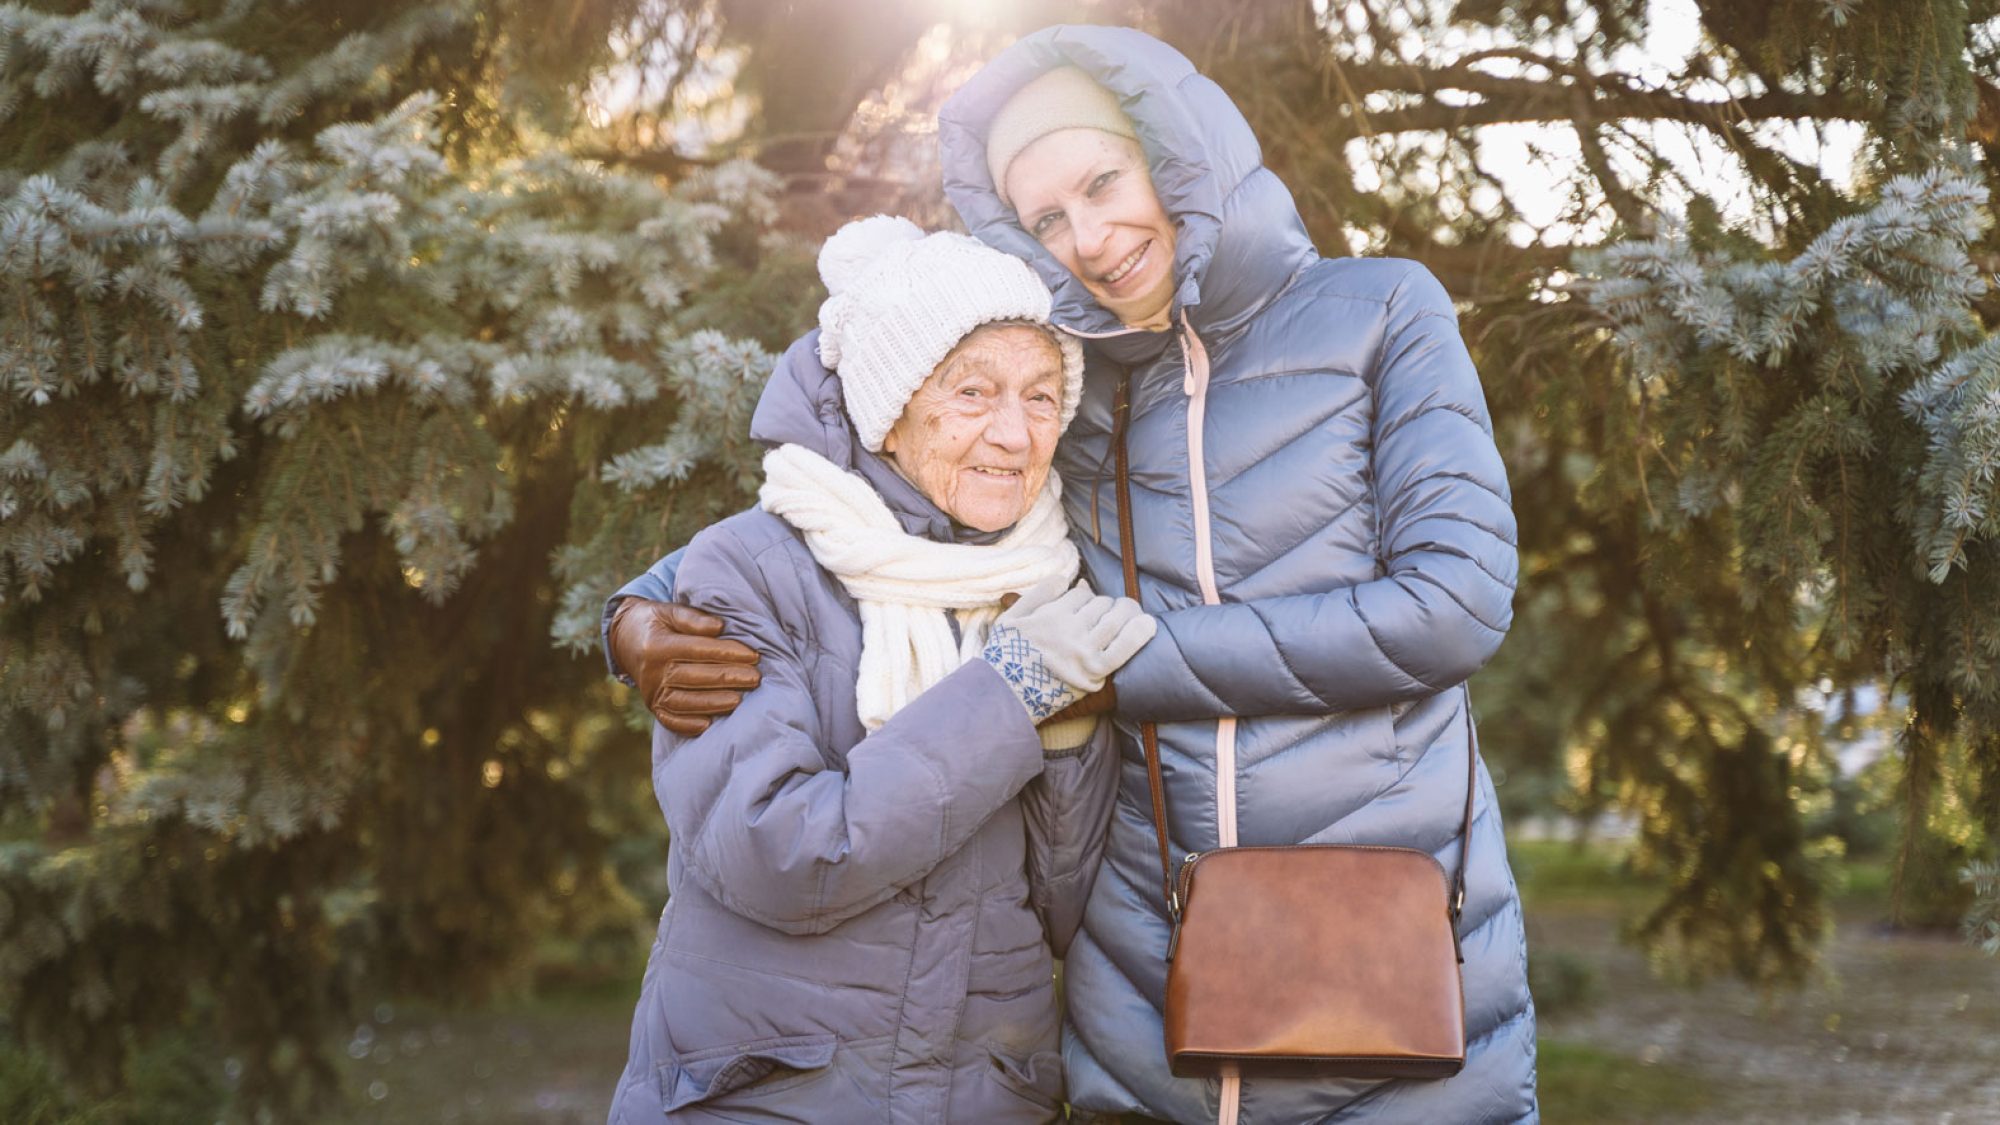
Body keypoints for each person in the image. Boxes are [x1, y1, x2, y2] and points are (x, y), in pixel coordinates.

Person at [607, 25, 1537, 1124]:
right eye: (1046, 218)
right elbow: (859, 484)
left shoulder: (1378, 313)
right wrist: (637, 611)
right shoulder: (1071, 375)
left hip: (1376, 935)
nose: (1090, 239)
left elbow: (1454, 602)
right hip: (1140, 975)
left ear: (1172, 152)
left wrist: (1105, 670)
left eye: (1103, 181)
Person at [606, 215, 1156, 1123]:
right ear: (889, 407)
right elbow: (783, 856)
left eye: (1043, 395)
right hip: (773, 1092)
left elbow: (1059, 912)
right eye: (973, 392)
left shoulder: (1052, 585)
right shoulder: (745, 570)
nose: (1015, 436)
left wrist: (1061, 739)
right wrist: (1009, 697)